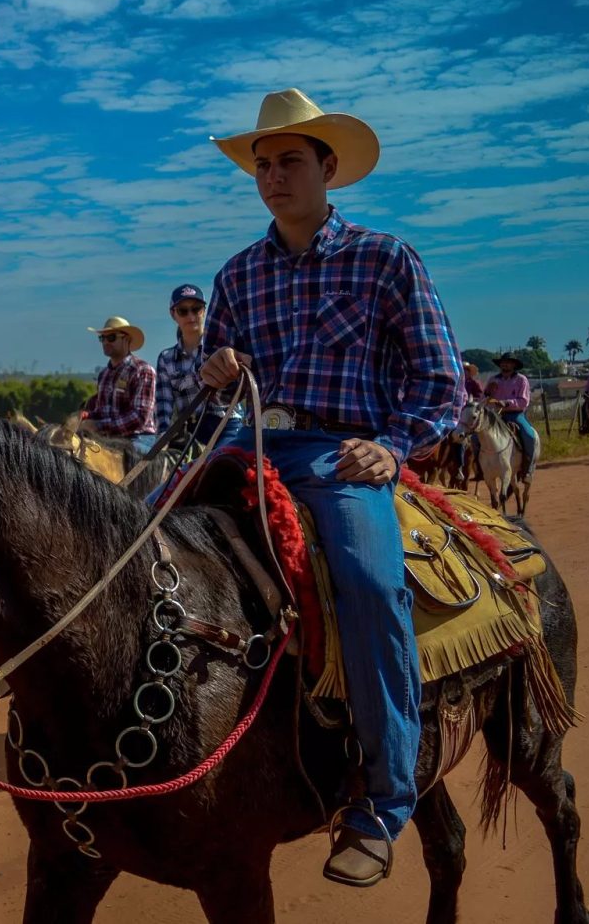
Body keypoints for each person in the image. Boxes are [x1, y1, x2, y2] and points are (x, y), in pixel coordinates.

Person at [199, 88, 462, 887]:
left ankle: (384, 798)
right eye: (261, 164)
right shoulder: (237, 275)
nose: (272, 176)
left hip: (339, 457)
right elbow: (215, 389)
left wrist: (391, 447)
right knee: (128, 536)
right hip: (246, 445)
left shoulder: (385, 259)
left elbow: (442, 382)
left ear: (329, 168)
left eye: (288, 161)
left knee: (372, 584)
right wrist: (218, 376)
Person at [154, 283, 237, 446]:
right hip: (189, 430)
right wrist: (163, 435)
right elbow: (164, 405)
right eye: (183, 311)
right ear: (173, 314)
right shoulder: (166, 358)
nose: (191, 316)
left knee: (227, 465)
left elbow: (229, 394)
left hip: (225, 423)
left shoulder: (221, 349)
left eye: (196, 309)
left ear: (204, 311)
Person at [82, 315, 157, 455]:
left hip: (139, 439)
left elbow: (139, 417)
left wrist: (98, 426)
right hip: (109, 439)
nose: (105, 342)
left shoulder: (142, 370)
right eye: (102, 338)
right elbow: (101, 411)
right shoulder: (104, 375)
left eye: (111, 337)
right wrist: (84, 417)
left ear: (126, 339)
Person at [483, 352, 538, 479]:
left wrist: (506, 403)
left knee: (530, 436)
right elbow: (484, 398)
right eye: (503, 363)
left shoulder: (521, 380)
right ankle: (479, 467)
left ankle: (527, 468)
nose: (505, 365)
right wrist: (487, 393)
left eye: (508, 363)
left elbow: (524, 401)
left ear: (514, 365)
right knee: (476, 437)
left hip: (515, 414)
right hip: (495, 415)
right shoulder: (493, 379)